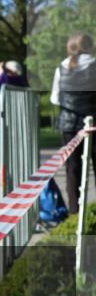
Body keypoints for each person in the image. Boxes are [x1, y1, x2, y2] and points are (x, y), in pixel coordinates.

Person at [50, 33, 96, 214]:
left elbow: (55, 98)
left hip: (69, 124)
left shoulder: (60, 68)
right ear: (90, 46)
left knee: (72, 169)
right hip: (93, 123)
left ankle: (75, 212)